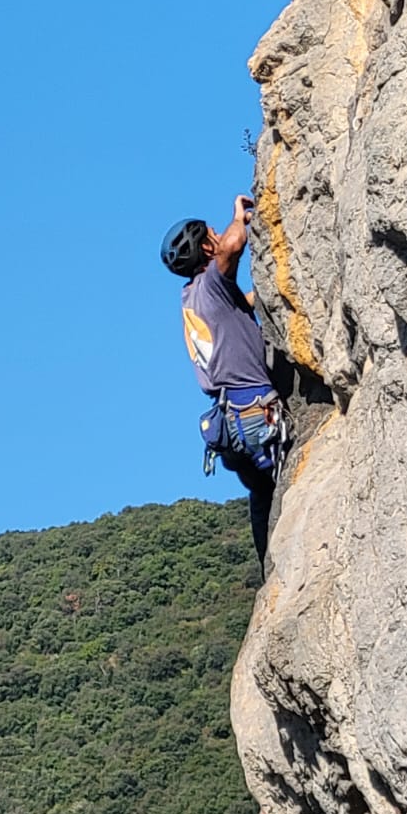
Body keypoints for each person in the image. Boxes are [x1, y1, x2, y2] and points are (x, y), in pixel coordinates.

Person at [160, 195, 283, 563]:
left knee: (263, 498)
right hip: (253, 409)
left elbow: (239, 308)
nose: (219, 234)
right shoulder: (212, 282)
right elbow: (233, 246)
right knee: (289, 484)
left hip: (228, 424)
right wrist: (237, 216)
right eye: (212, 234)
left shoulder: (193, 296)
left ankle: (270, 570)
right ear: (206, 248)